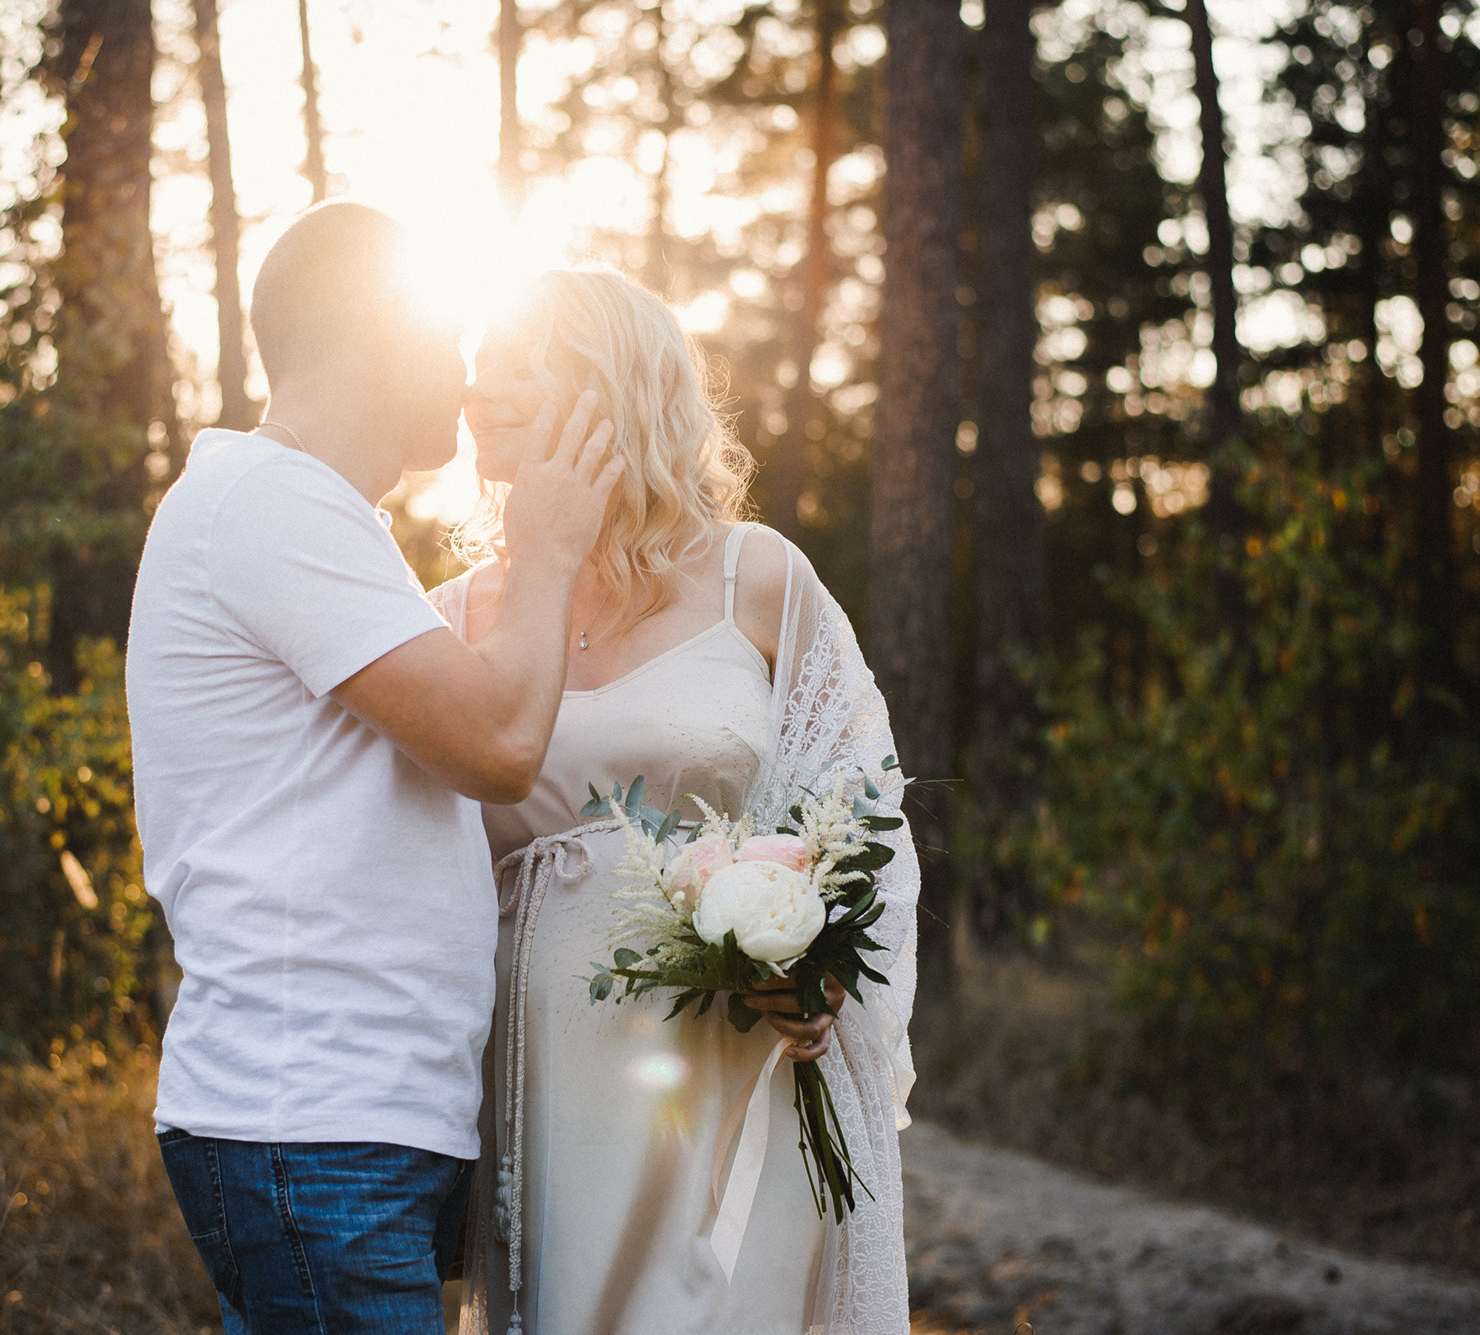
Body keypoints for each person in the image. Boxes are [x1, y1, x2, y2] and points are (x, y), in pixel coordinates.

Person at [123, 203, 622, 1335]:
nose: (461, 375)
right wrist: (545, 551)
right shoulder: (268, 502)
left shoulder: (315, 517)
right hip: (309, 1125)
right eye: (442, 338)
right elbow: (495, 746)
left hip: (345, 1126)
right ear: (367, 334)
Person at [433, 268, 919, 1334]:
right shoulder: (445, 620)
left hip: (731, 1060)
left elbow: (859, 796)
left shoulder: (757, 578)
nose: (476, 393)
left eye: (514, 365)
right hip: (539, 1077)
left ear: (606, 384)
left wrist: (821, 960)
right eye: (473, 371)